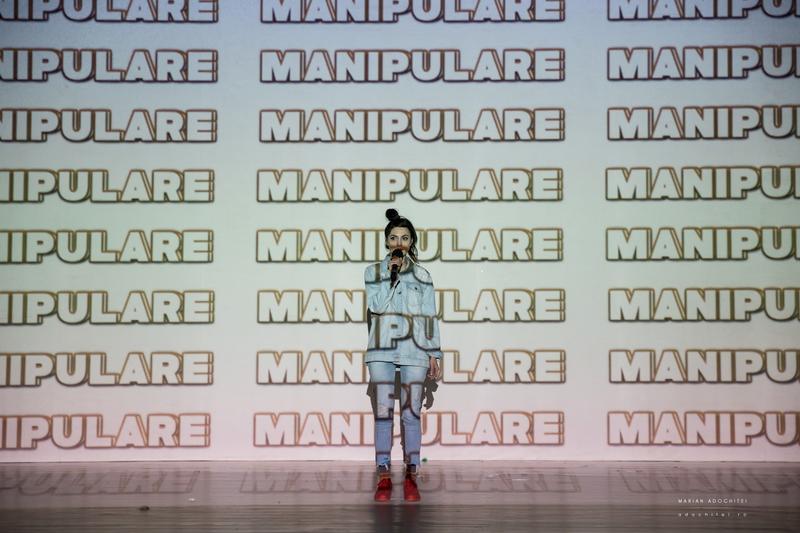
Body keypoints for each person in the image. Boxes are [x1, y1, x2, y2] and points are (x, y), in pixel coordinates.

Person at [365, 208, 442, 502]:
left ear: (411, 242)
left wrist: (434, 353)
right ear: (387, 242)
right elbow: (377, 307)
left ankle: (412, 473)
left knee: (411, 414)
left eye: (405, 238)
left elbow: (429, 317)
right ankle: (383, 474)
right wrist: (391, 275)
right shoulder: (373, 272)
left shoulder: (423, 275)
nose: (399, 242)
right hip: (382, 348)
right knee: (383, 413)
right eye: (394, 237)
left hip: (414, 348)